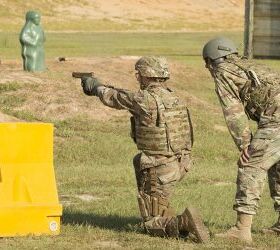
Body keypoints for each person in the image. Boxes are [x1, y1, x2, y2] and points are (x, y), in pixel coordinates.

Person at [80, 56, 209, 242]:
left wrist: (95, 87)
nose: (137, 77)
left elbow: (114, 98)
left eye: (139, 74)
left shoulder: (143, 99)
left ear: (146, 75)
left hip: (160, 168)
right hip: (180, 163)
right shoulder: (175, 98)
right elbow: (126, 95)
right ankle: (174, 220)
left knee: (151, 225)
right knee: (140, 163)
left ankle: (184, 222)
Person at [203, 37, 280, 243]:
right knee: (277, 166)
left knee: (251, 165)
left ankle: (241, 230)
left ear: (211, 60)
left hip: (276, 121)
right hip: (275, 118)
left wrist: (245, 145)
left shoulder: (223, 71)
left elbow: (233, 110)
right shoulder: (250, 64)